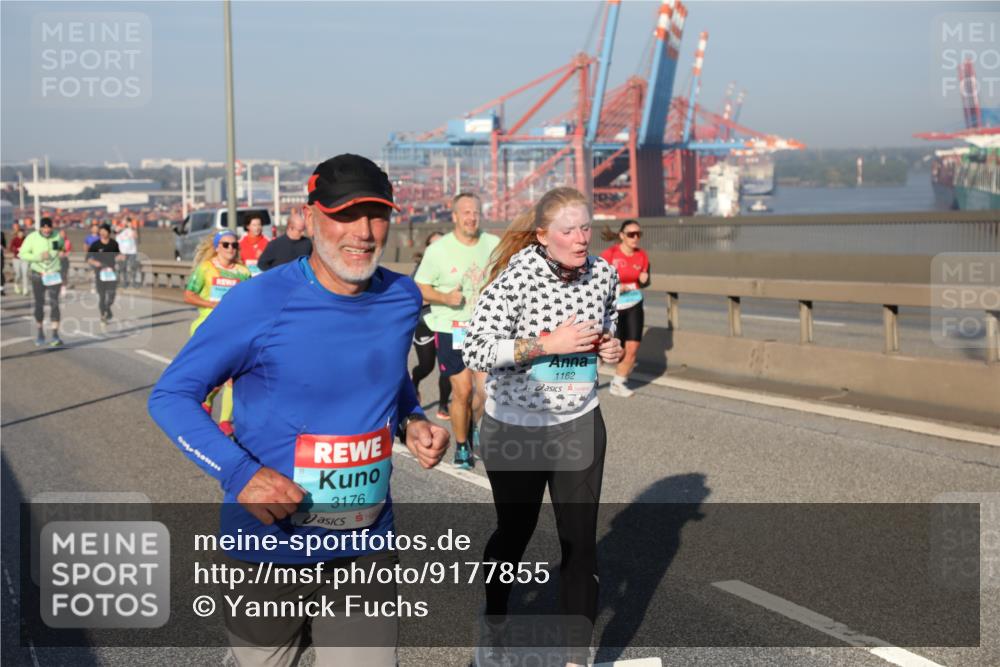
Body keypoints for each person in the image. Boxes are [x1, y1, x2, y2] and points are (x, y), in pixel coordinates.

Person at [148, 153, 449, 667]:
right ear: (310, 218)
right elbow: (171, 396)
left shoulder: (401, 297)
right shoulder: (257, 302)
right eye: (344, 214)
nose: (363, 232)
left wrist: (411, 419)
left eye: (376, 215)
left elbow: (387, 375)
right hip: (268, 548)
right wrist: (241, 474)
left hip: (366, 543)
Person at [463, 186, 623, 667]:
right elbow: (476, 350)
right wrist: (545, 344)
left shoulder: (604, 274)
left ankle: (577, 659)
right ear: (542, 235)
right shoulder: (516, 280)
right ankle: (495, 621)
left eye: (585, 228)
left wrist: (607, 349)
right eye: (568, 230)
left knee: (579, 542)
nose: (580, 238)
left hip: (578, 421)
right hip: (518, 427)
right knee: (516, 531)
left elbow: (606, 326)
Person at [414, 192, 499, 469]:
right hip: (452, 329)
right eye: (465, 212)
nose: (471, 217)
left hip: (485, 328)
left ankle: (473, 424)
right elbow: (421, 287)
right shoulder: (438, 250)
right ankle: (462, 445)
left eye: (475, 212)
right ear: (454, 217)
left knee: (486, 391)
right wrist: (445, 298)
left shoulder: (493, 244)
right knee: (461, 391)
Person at [182, 230, 252, 437]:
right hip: (207, 326)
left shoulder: (243, 272)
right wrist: (212, 304)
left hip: (233, 328)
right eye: (225, 244)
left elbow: (248, 300)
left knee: (232, 376)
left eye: (234, 245)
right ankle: (207, 401)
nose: (230, 249)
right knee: (216, 373)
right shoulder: (205, 269)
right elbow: (189, 295)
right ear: (216, 247)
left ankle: (224, 421)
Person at [599, 219, 651, 397]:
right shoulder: (610, 254)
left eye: (638, 234)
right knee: (615, 350)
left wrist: (645, 280)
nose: (635, 238)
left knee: (633, 348)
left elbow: (645, 280)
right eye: (631, 234)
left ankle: (618, 384)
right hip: (614, 306)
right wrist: (616, 286)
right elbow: (597, 280)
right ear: (622, 236)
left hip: (634, 304)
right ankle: (588, 374)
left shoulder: (642, 255)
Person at [410, 232, 452, 419]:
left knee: (448, 367)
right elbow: (415, 295)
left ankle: (443, 405)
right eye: (432, 245)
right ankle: (414, 383)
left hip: (451, 322)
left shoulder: (456, 267)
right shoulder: (420, 270)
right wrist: (442, 297)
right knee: (426, 366)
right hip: (425, 321)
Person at [18, 217, 66, 347]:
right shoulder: (31, 238)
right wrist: (38, 257)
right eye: (44, 227)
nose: (46, 230)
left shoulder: (56, 236)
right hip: (38, 274)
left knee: (55, 303)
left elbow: (60, 248)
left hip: (54, 274)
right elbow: (22, 254)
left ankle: (55, 334)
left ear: (52, 227)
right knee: (39, 303)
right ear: (40, 228)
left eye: (48, 227)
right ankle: (40, 332)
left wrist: (61, 252)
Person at [86, 223, 123, 323]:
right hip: (100, 273)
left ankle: (108, 308)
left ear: (109, 232)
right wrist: (94, 262)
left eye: (104, 231)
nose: (102, 233)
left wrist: (120, 257)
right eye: (100, 231)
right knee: (102, 296)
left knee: (111, 295)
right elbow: (88, 258)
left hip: (111, 273)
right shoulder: (95, 244)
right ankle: (103, 315)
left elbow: (118, 255)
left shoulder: (113, 244)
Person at [257, 206, 312, 271]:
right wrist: (275, 275)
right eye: (300, 230)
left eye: (304, 230)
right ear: (290, 227)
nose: (303, 233)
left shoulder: (307, 243)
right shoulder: (275, 244)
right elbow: (261, 264)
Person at [116, 219, 139, 287]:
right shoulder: (118, 230)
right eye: (124, 222)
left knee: (133, 267)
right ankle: (125, 282)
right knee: (123, 268)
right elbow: (116, 231)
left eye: (127, 222)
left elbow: (136, 236)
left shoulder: (131, 230)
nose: (125, 223)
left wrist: (132, 227)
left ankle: (134, 282)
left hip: (132, 252)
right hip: (122, 252)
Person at [9, 226, 27, 295]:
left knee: (25, 274)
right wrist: (16, 249)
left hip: (25, 259)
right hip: (16, 259)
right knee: (18, 274)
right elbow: (10, 248)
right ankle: (16, 284)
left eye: (22, 233)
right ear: (17, 233)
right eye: (20, 233)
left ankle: (25, 289)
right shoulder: (14, 239)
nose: (21, 234)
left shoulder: (26, 239)